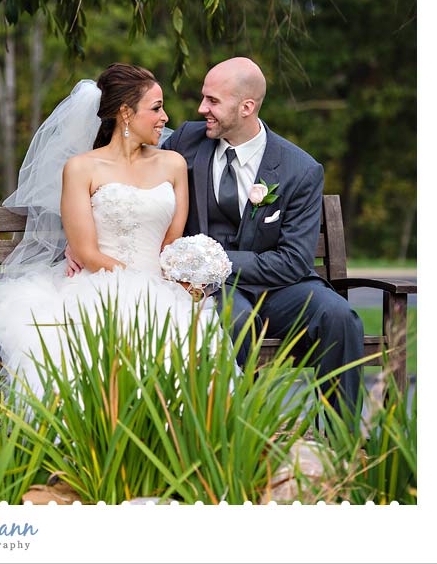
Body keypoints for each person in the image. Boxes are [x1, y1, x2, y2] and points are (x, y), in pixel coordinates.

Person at [0, 63, 222, 401]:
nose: (165, 118)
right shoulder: (81, 168)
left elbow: (171, 244)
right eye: (156, 108)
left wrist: (180, 279)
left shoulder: (174, 164)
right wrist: (140, 283)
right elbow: (86, 251)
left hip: (164, 289)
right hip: (99, 284)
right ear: (125, 113)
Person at [156, 57, 364, 419]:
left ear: (247, 107)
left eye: (213, 101)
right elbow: (135, 181)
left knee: (341, 316)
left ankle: (339, 443)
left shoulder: (299, 169)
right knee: (236, 321)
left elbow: (294, 261)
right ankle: (244, 434)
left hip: (281, 288)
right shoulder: (187, 141)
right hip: (211, 290)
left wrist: (213, 259)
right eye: (204, 98)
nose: (202, 108)